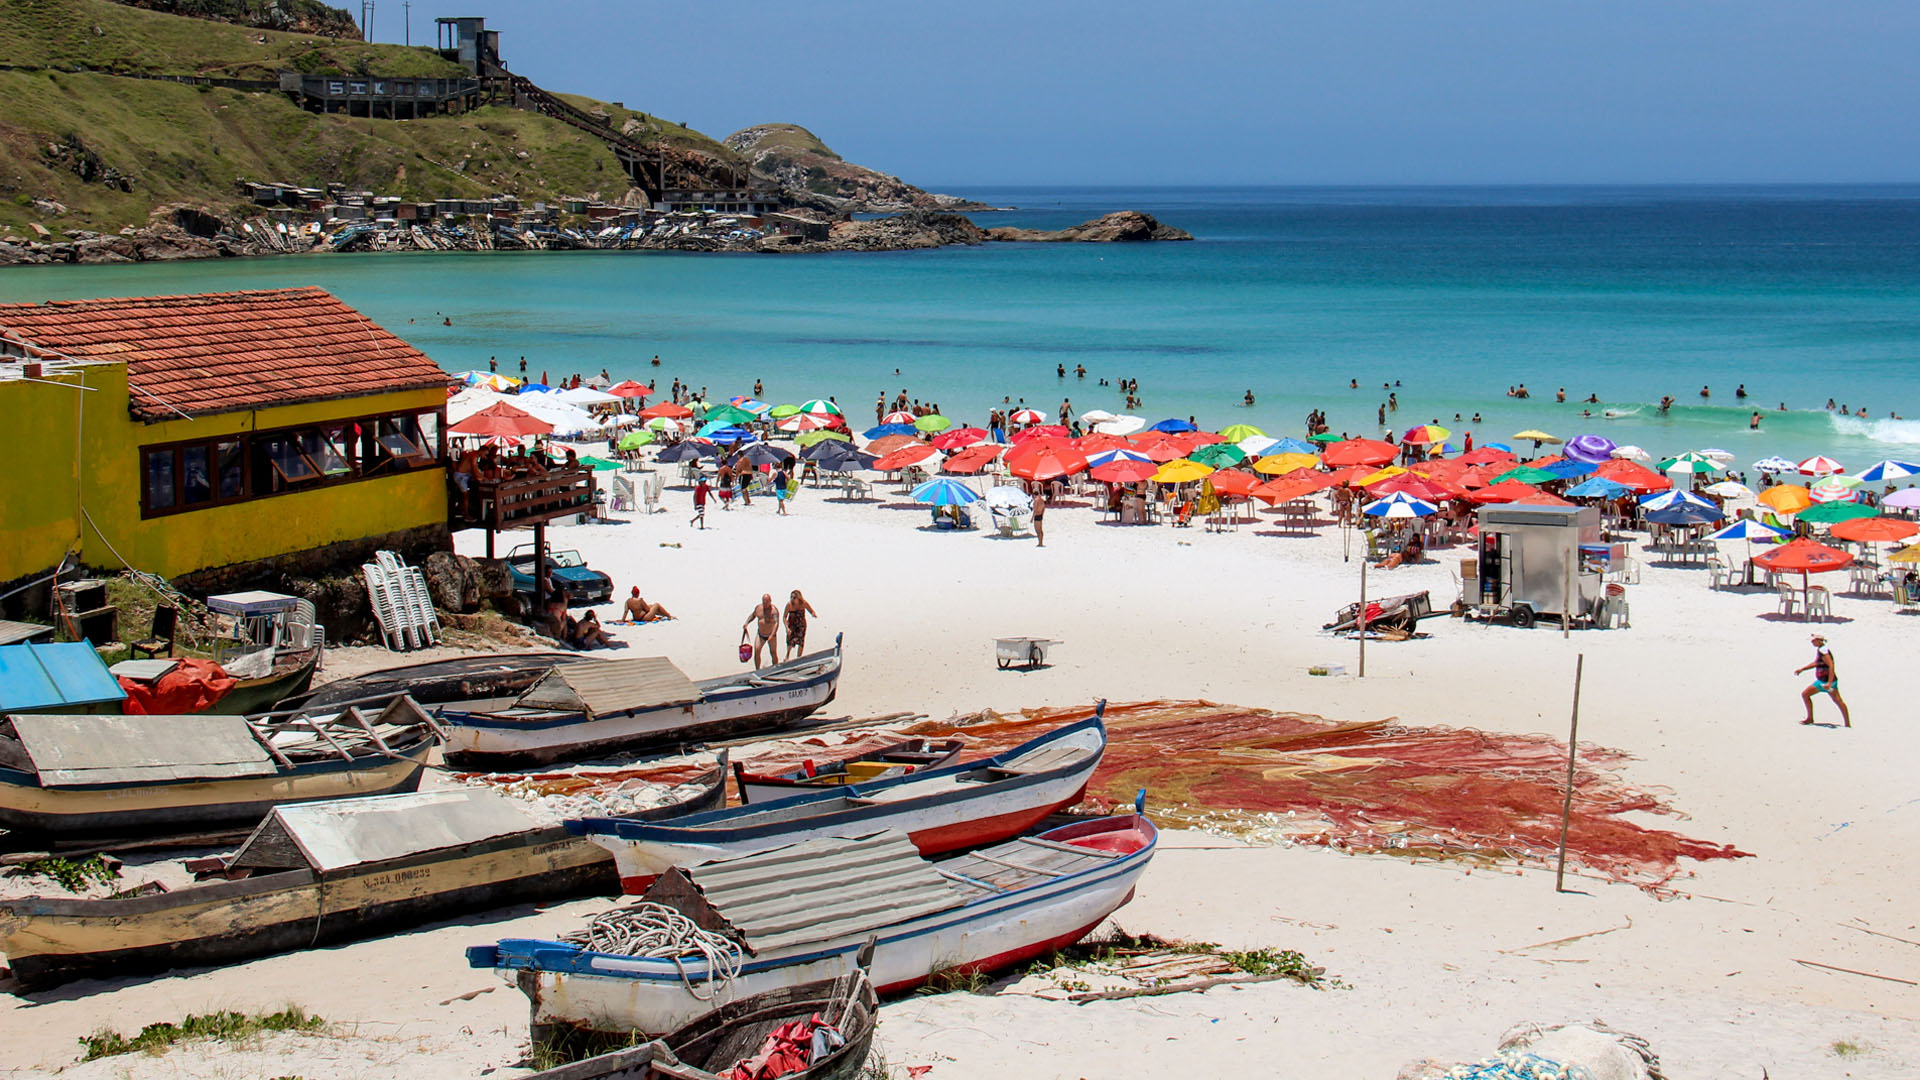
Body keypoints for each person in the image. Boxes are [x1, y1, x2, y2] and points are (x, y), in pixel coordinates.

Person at [1796, 635, 1851, 727]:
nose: (1812, 642)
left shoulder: (1823, 651)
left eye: (1813, 641)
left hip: (1827, 682)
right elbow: (1816, 663)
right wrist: (1802, 669)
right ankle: (1810, 718)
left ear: (1819, 640)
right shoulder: (1821, 649)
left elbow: (1831, 665)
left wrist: (1829, 683)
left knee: (1838, 701)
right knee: (1806, 694)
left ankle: (1847, 724)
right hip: (1821, 681)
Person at [743, 593, 780, 669]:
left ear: (770, 601)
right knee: (757, 650)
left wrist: (772, 635)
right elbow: (753, 615)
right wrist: (746, 623)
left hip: (771, 635)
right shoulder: (759, 608)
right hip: (761, 635)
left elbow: (776, 623)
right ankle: (757, 669)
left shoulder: (774, 611)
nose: (765, 603)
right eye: (764, 601)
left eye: (767, 601)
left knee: (773, 652)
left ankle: (776, 667)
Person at [783, 589, 818, 660]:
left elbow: (811, 610)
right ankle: (787, 656)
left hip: (801, 624)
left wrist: (813, 614)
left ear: (799, 598)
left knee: (801, 640)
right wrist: (786, 628)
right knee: (790, 640)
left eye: (794, 597)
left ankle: (799, 658)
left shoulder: (804, 603)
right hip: (792, 624)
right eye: (791, 597)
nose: (792, 599)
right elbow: (784, 617)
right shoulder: (789, 605)